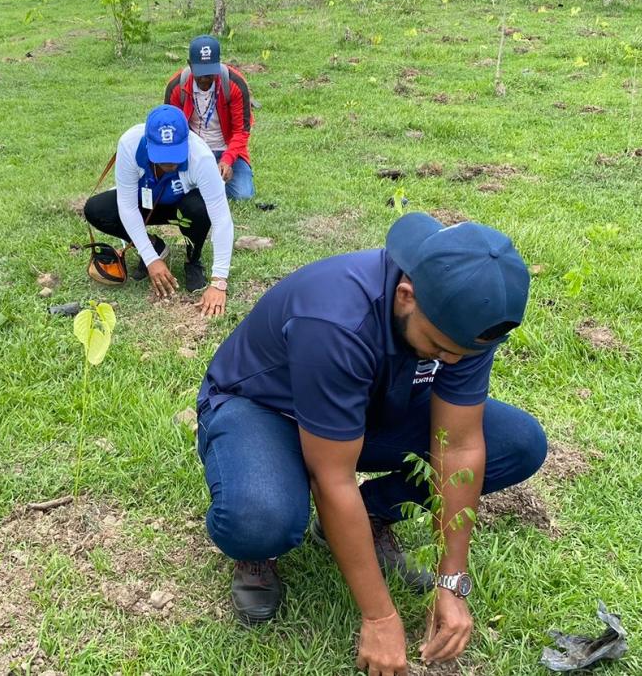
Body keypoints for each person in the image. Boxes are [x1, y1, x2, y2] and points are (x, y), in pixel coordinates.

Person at [195, 213, 548, 674]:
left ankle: (374, 511)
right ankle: (259, 548)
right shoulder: (335, 320)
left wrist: (451, 582)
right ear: (407, 296)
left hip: (370, 405)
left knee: (516, 444)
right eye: (440, 348)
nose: (451, 361)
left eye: (461, 354)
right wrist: (380, 616)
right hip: (267, 411)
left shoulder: (462, 318)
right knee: (261, 516)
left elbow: (458, 446)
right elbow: (332, 475)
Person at [83, 105, 234, 317]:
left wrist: (219, 281)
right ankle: (156, 247)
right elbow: (126, 205)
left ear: (187, 140)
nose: (169, 162)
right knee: (96, 209)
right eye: (162, 155)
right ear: (148, 141)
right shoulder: (130, 144)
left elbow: (221, 218)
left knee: (198, 209)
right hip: (146, 204)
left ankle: (193, 260)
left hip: (181, 208)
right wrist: (150, 258)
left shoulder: (201, 157)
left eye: (175, 153)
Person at [163, 35, 256, 201]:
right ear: (190, 65)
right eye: (200, 73)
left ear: (218, 64)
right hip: (192, 151)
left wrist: (228, 160)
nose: (205, 79)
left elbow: (241, 131)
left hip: (227, 150)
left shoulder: (234, 84)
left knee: (243, 195)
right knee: (172, 191)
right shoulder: (176, 87)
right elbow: (171, 130)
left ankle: (206, 184)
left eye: (210, 73)